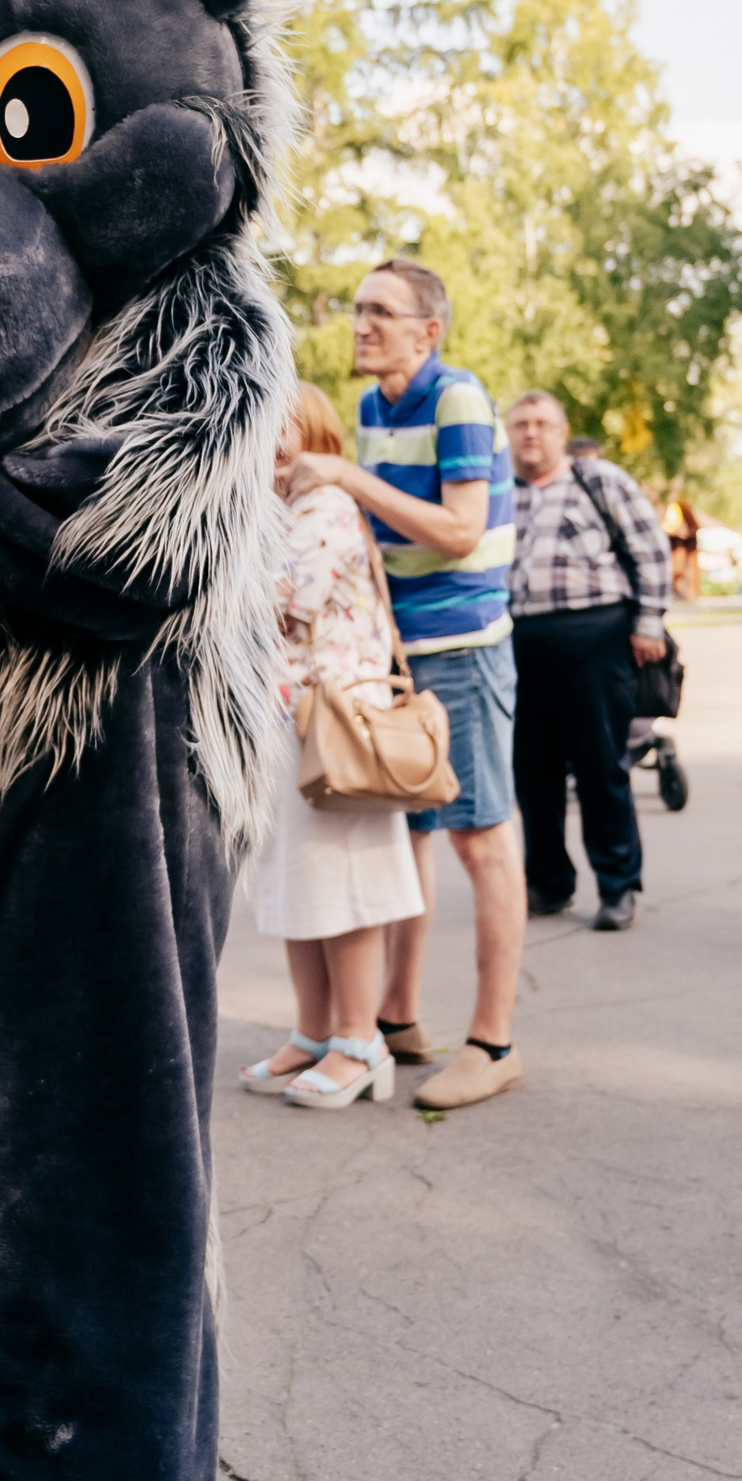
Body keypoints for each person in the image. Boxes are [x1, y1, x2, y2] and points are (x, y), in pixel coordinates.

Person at [283, 257, 527, 1111]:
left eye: (382, 312)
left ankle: (494, 1041)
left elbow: (460, 532)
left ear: (430, 331)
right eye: (357, 310)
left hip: (462, 644)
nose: (361, 325)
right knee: (408, 836)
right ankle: (396, 1016)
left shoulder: (455, 396)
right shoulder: (370, 407)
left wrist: (348, 477)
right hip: (399, 657)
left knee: (480, 837)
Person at [239, 383, 423, 1109]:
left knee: (341, 885)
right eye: (268, 429)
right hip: (293, 726)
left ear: (322, 439)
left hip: (336, 726)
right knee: (295, 882)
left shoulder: (326, 510)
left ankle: (359, 1040)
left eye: (295, 429)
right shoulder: (275, 513)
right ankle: (314, 1031)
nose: (280, 444)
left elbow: (284, 602)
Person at [502, 391, 672, 932]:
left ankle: (618, 886)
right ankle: (548, 884)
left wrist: (649, 624)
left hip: (594, 637)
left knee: (601, 768)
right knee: (533, 774)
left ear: (562, 431)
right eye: (521, 424)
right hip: (518, 641)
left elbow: (650, 549)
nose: (531, 433)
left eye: (542, 424)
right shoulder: (496, 491)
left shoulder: (599, 481)